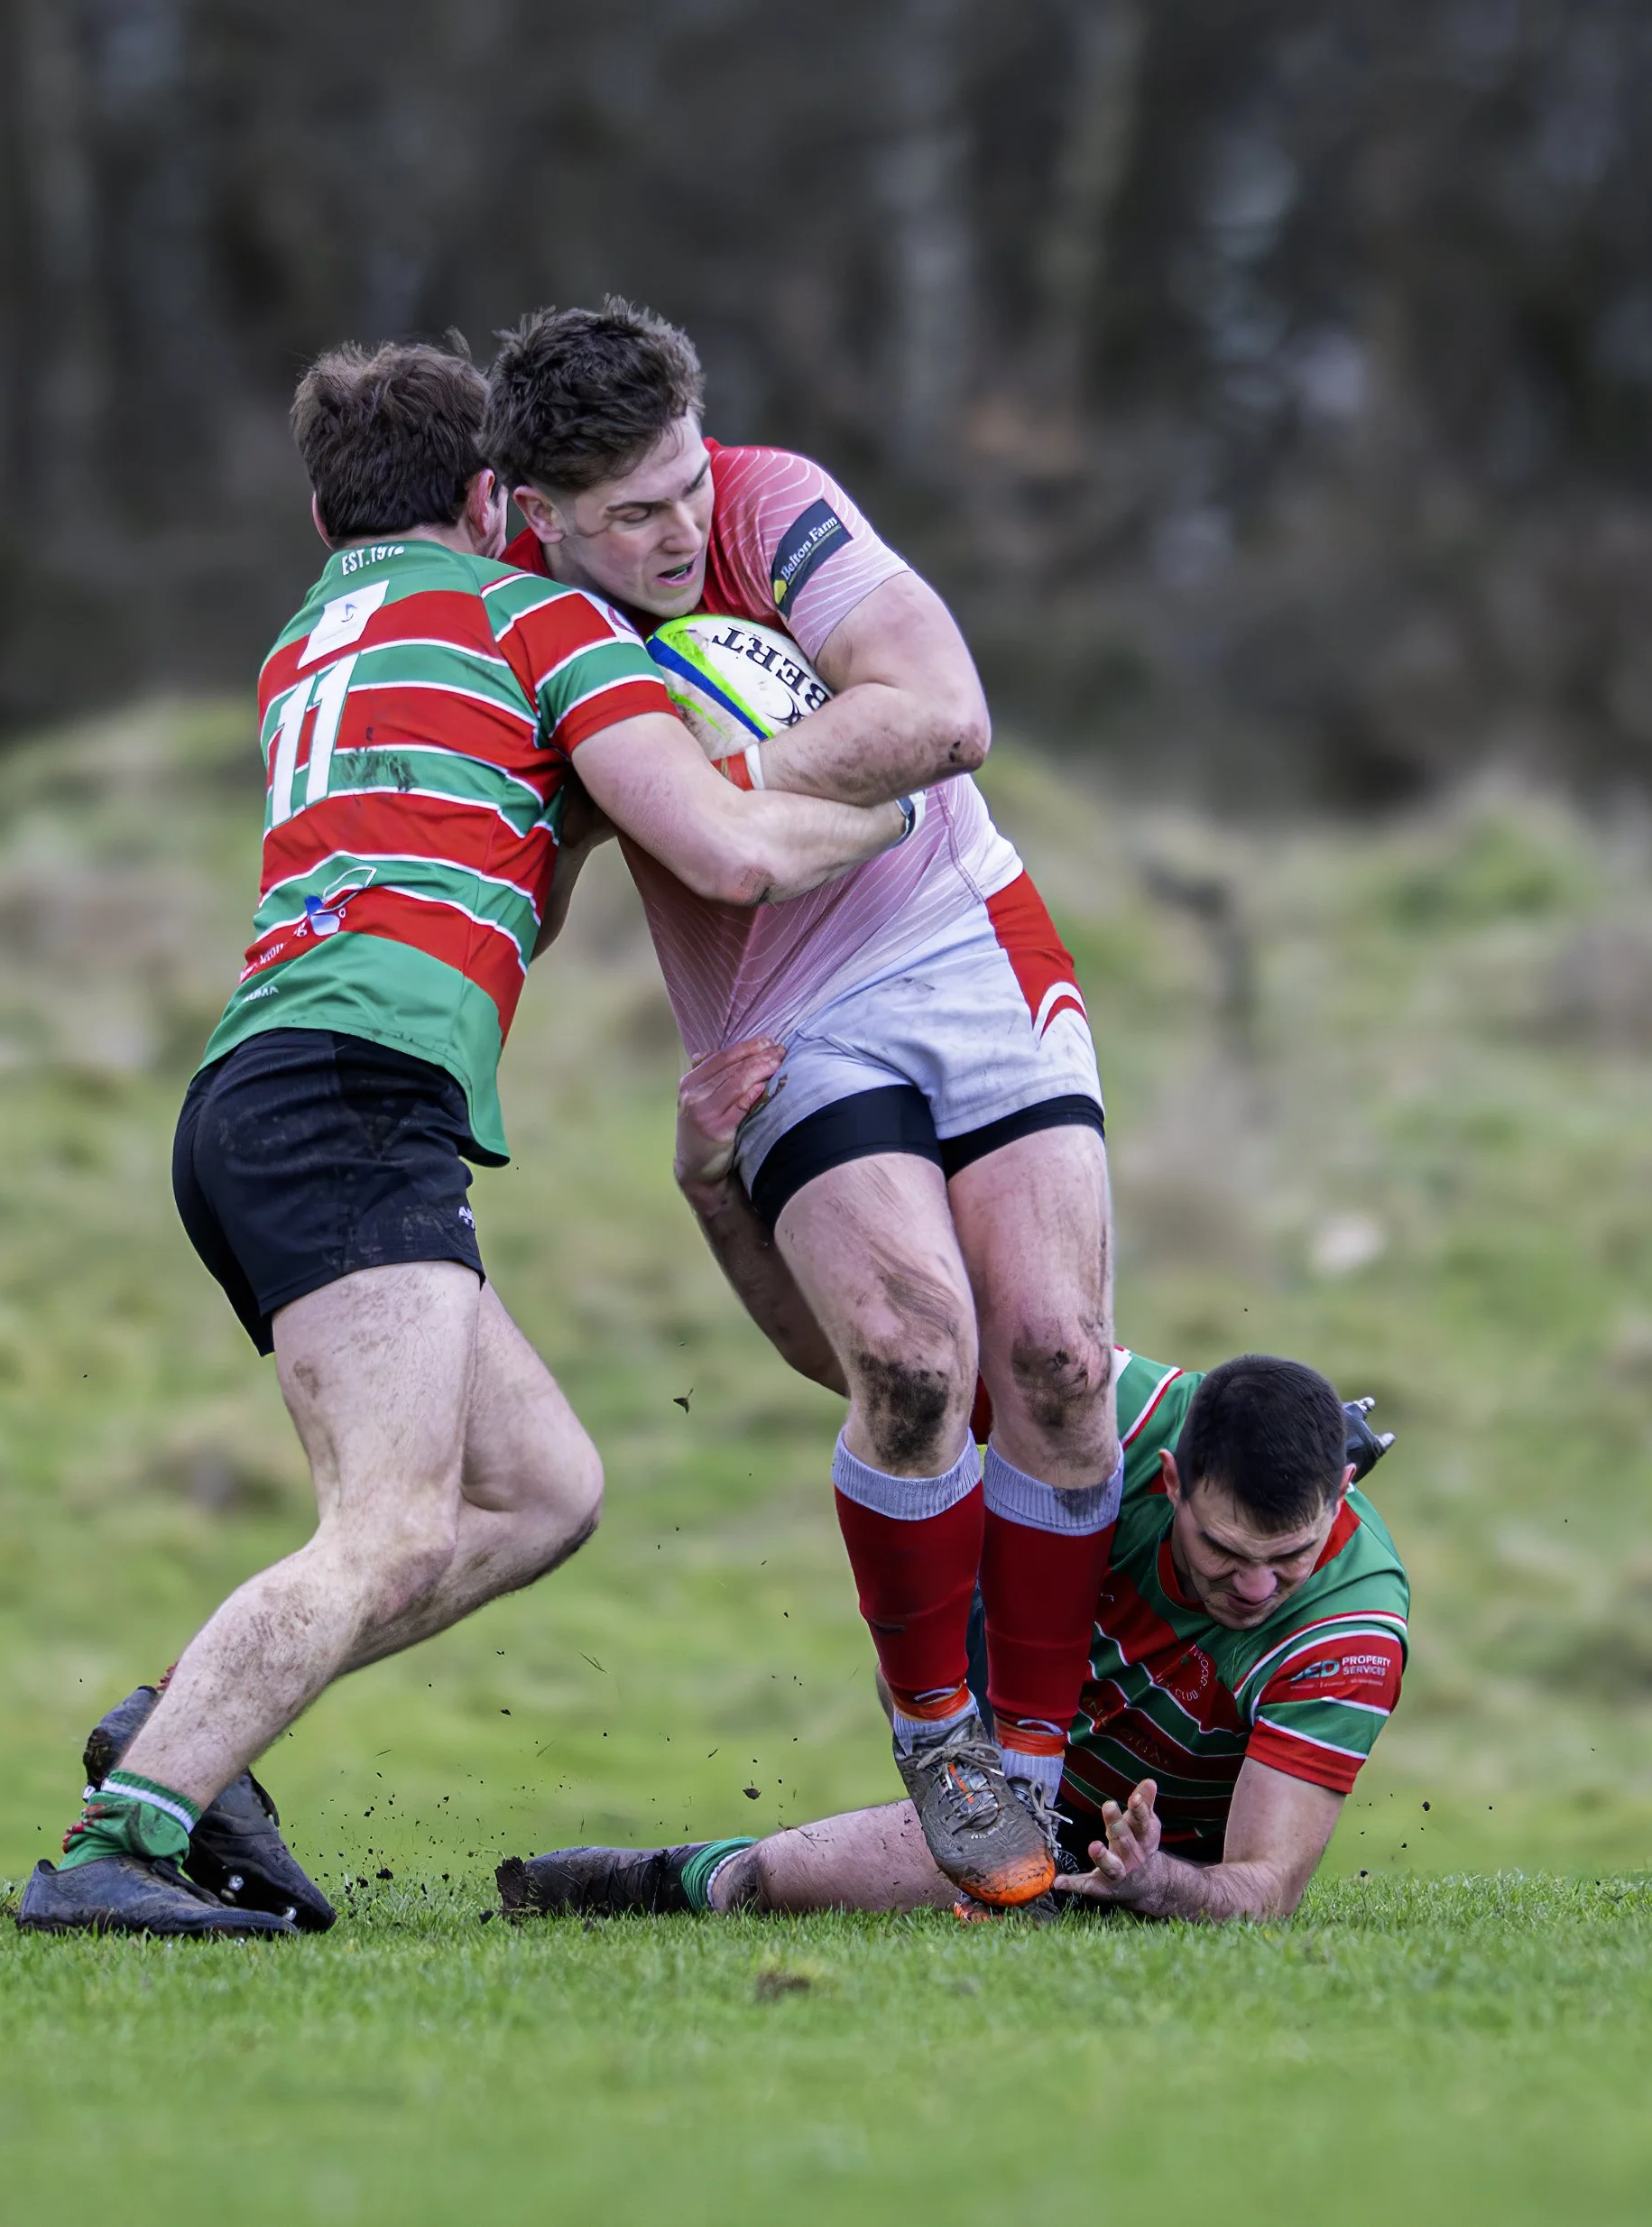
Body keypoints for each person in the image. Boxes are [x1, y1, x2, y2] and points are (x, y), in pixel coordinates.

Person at [17, 339, 915, 1936]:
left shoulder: (307, 638)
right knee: (391, 1518)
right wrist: (891, 802)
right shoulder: (537, 615)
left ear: (318, 511)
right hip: (350, 1092)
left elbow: (508, 870)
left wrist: (575, 797)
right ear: (498, 498)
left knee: (541, 1488)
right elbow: (721, 851)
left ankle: (185, 1734)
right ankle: (121, 1835)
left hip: (263, 1092)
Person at [485, 300, 1119, 1907]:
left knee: (1054, 1356)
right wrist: (601, 800)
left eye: (686, 480)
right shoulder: (520, 616)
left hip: (963, 928)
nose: (683, 530)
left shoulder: (773, 500)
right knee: (909, 1360)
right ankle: (938, 1735)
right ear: (539, 514)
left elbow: (947, 713)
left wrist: (707, 775)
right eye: (632, 512)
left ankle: (1026, 1772)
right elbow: (530, 903)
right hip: (780, 1013)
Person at [499, 1345, 1410, 1927]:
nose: (1257, 1586)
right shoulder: (1109, 1416)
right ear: (1170, 1478)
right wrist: (726, 1183)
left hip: (1146, 1847)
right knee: (965, 1514)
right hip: (994, 1747)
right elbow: (890, 1363)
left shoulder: (1350, 1619)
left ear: (1339, 1494)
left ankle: (684, 1877)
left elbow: (1264, 1889)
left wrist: (1152, 1880)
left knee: (798, 1880)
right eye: (1224, 1548)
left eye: (1289, 1554)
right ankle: (674, 1874)